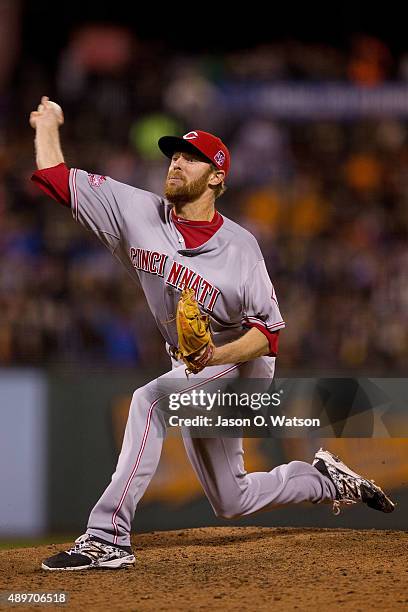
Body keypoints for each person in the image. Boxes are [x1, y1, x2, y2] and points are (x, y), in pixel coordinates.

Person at [29, 97, 394, 571]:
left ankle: (107, 537)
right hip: (195, 365)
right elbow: (56, 177)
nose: (176, 162)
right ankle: (326, 480)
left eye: (190, 157)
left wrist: (216, 356)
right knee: (232, 499)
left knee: (152, 401)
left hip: (243, 365)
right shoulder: (135, 211)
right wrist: (47, 123)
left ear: (217, 176)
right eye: (173, 156)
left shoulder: (241, 246)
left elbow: (269, 333)